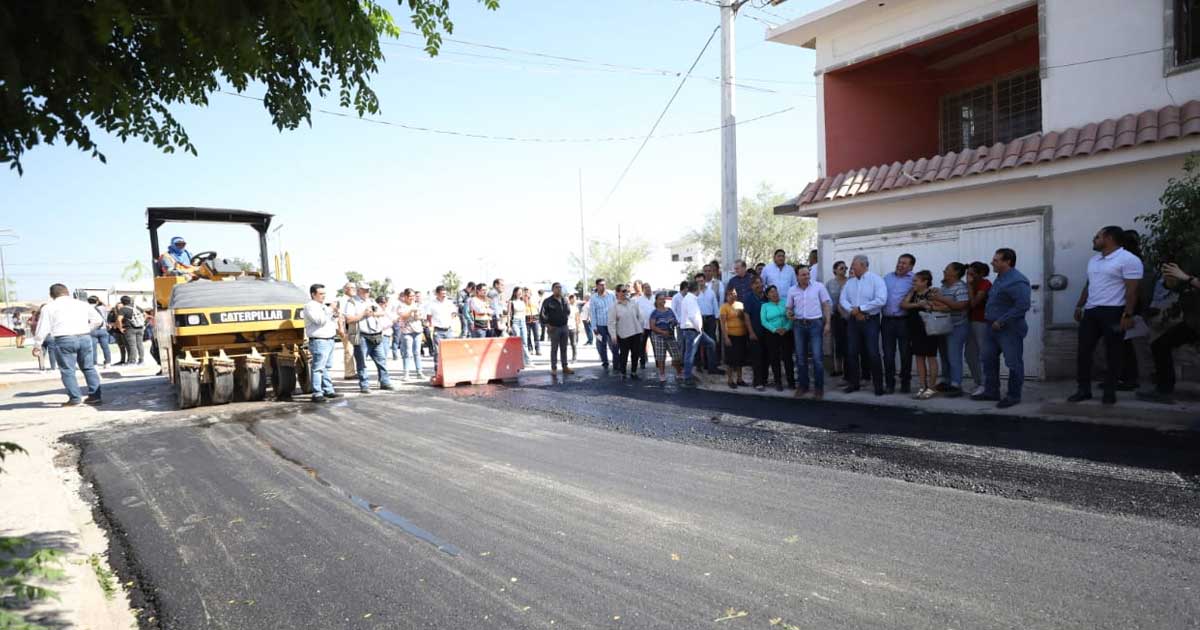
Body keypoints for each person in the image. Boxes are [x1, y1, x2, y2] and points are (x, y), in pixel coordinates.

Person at [1070, 226, 1143, 405]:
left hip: (1114, 312)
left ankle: (1109, 392)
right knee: (1084, 352)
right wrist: (1080, 305)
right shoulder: (1094, 260)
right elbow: (1089, 285)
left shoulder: (1129, 260)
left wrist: (1128, 314)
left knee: (1114, 353)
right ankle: (1083, 390)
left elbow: (1132, 290)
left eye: (1097, 237)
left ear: (1109, 238)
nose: (1094, 240)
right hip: (1091, 312)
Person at [972, 248, 1031, 409]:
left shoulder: (1017, 281)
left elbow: (1023, 305)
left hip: (1009, 329)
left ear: (1008, 262)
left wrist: (1002, 320)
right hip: (992, 328)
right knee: (987, 359)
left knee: (1013, 363)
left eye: (996, 260)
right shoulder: (1000, 278)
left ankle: (1013, 395)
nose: (992, 262)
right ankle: (991, 392)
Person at [32, 284, 104, 405]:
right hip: (84, 337)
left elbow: (42, 328)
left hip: (63, 339)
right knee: (88, 367)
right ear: (67, 292)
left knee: (67, 370)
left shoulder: (49, 307)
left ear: (51, 295)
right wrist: (86, 329)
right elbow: (98, 320)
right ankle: (95, 396)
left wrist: (37, 345)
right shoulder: (82, 304)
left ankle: (75, 398)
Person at [1138, 262, 1200, 403]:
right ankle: (1164, 390)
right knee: (1160, 345)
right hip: (1194, 322)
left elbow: (1189, 280)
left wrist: (1186, 278)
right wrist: (1170, 283)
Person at [839, 254, 887, 396]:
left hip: (870, 320)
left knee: (873, 353)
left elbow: (881, 300)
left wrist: (861, 308)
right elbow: (843, 299)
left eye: (854, 264)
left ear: (863, 265)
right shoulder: (850, 282)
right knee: (852, 352)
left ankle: (878, 386)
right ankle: (854, 384)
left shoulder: (876, 280)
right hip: (854, 321)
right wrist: (854, 312)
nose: (852, 267)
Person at [786, 265, 832, 399]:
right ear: (797, 276)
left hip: (815, 325)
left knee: (817, 358)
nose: (807, 276)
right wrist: (789, 313)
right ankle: (803, 386)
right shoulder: (792, 290)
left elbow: (826, 305)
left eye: (808, 274)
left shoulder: (819, 286)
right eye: (803, 275)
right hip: (799, 325)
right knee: (801, 358)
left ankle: (819, 389)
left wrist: (828, 323)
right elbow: (789, 307)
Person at [344, 281, 393, 393]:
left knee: (382, 360)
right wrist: (363, 314)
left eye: (368, 290)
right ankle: (364, 385)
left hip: (376, 334)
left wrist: (372, 313)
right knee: (362, 362)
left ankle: (385, 382)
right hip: (361, 335)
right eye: (365, 290)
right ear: (359, 290)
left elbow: (381, 313)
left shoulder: (371, 301)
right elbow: (349, 319)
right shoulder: (352, 302)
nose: (367, 292)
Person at [901, 270, 944, 399]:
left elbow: (943, 307)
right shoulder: (912, 292)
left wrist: (929, 306)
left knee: (931, 357)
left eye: (916, 281)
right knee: (919, 357)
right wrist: (917, 304)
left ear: (925, 282)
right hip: (915, 329)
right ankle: (922, 385)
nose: (913, 282)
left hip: (930, 329)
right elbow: (903, 304)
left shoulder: (933, 293)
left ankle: (931, 387)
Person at [933, 262, 971, 397]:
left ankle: (956, 384)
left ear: (955, 272)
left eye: (947, 269)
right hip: (943, 325)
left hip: (957, 326)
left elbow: (961, 305)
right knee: (944, 354)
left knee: (953, 355)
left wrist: (941, 300)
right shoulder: (944, 287)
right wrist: (938, 302)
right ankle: (946, 380)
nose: (944, 270)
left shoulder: (960, 287)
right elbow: (940, 303)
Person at [881, 254, 916, 394]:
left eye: (904, 263)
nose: (900, 265)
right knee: (888, 354)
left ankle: (905, 383)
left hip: (904, 322)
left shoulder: (914, 280)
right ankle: (889, 383)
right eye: (899, 262)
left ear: (911, 266)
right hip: (887, 321)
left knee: (905, 354)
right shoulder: (886, 278)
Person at [302, 284, 341, 403]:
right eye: (321, 294)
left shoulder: (323, 306)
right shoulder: (310, 306)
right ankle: (317, 393)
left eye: (324, 293)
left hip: (329, 339)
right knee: (318, 368)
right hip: (319, 340)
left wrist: (334, 315)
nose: (323, 296)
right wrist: (330, 310)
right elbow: (319, 321)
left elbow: (330, 321)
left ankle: (328, 390)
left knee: (326, 368)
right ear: (313, 294)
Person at [964, 261, 993, 397]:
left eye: (972, 273)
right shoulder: (972, 284)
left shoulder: (985, 284)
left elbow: (974, 303)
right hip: (970, 321)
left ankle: (986, 385)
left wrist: (969, 286)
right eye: (968, 273)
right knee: (970, 354)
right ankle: (978, 382)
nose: (968, 276)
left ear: (981, 273)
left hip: (982, 322)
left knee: (983, 354)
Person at [677, 280, 713, 387]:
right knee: (690, 355)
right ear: (697, 289)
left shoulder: (689, 298)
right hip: (693, 331)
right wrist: (699, 328)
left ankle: (711, 367)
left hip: (693, 330)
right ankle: (687, 378)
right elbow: (693, 316)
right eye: (700, 288)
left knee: (711, 344)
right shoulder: (690, 299)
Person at [719, 286, 754, 389]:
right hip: (730, 336)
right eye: (730, 294)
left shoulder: (740, 305)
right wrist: (726, 338)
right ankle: (730, 380)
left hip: (742, 336)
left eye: (734, 293)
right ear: (726, 296)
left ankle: (739, 379)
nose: (733, 295)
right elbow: (723, 323)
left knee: (740, 359)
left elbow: (745, 318)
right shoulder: (724, 307)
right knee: (730, 360)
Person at [760, 285, 793, 392]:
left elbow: (791, 316)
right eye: (771, 292)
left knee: (788, 358)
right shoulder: (765, 306)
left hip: (786, 333)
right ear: (767, 295)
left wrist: (786, 328)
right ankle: (778, 382)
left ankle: (791, 381)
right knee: (774, 359)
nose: (774, 293)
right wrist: (775, 330)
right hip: (772, 334)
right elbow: (764, 321)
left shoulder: (785, 302)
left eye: (776, 291)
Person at [608, 284, 644, 379]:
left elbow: (640, 316)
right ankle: (623, 372)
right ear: (618, 293)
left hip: (636, 332)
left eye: (626, 291)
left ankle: (633, 372)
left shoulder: (633, 302)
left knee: (635, 354)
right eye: (623, 291)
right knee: (624, 355)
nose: (625, 293)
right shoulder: (614, 307)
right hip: (623, 334)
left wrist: (641, 328)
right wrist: (613, 336)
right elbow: (611, 323)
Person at [648, 292, 684, 383]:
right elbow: (652, 326)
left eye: (664, 299)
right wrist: (662, 332)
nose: (663, 300)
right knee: (661, 356)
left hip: (670, 336)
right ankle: (662, 374)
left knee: (677, 355)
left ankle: (679, 372)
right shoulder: (654, 313)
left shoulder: (670, 310)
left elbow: (675, 320)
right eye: (660, 299)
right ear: (656, 301)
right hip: (658, 336)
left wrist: (674, 324)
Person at [540, 283, 573, 377]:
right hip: (554, 328)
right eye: (556, 287)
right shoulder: (548, 301)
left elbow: (568, 312)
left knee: (564, 348)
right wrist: (547, 325)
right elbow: (542, 314)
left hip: (564, 327)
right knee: (554, 349)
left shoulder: (564, 300)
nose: (558, 289)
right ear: (552, 289)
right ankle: (554, 368)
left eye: (560, 287)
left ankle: (565, 367)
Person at [743, 275, 768, 390]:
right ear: (752, 286)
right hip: (755, 332)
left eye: (760, 283)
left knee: (765, 357)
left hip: (767, 332)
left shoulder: (766, 297)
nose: (759, 285)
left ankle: (764, 380)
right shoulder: (748, 297)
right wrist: (751, 332)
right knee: (756, 358)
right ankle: (757, 382)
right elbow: (746, 316)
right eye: (756, 283)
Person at [825, 260, 849, 378]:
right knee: (837, 343)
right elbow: (826, 302)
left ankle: (848, 369)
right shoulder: (830, 284)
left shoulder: (850, 282)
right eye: (841, 268)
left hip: (849, 317)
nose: (844, 270)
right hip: (836, 317)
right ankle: (837, 368)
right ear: (835, 270)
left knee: (849, 343)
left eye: (845, 268)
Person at [394, 289, 425, 379]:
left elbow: (419, 317)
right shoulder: (401, 305)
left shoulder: (417, 305)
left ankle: (419, 372)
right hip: (407, 332)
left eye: (413, 296)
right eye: (410, 296)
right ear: (405, 297)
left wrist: (417, 314)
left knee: (417, 352)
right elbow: (403, 316)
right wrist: (411, 310)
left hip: (417, 331)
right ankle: (406, 374)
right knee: (407, 353)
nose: (412, 298)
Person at [427, 285, 457, 370]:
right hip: (438, 331)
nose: (444, 295)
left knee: (450, 350)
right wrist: (430, 325)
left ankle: (449, 368)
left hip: (448, 330)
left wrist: (452, 317)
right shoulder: (432, 304)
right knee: (437, 351)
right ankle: (437, 369)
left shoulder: (449, 302)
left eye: (445, 294)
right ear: (437, 294)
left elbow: (454, 312)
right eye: (442, 294)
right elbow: (429, 316)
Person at [697, 269, 722, 372]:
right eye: (698, 281)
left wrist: (717, 319)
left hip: (711, 319)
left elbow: (715, 306)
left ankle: (711, 366)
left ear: (704, 281)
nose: (700, 283)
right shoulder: (695, 294)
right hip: (699, 320)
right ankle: (699, 365)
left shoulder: (711, 292)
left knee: (711, 342)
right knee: (698, 343)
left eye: (701, 281)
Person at [589, 278, 616, 370]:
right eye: (600, 284)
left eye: (604, 284)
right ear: (597, 286)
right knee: (602, 344)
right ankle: (605, 362)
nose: (603, 286)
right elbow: (592, 313)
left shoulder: (611, 295)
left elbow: (616, 307)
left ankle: (617, 362)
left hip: (612, 324)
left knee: (614, 344)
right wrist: (594, 327)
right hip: (600, 326)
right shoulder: (593, 298)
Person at [115, 296, 146, 365]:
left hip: (130, 329)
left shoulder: (123, 309)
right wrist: (142, 323)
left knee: (132, 345)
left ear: (122, 302)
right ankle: (141, 360)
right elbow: (145, 315)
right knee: (140, 344)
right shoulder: (136, 307)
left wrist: (120, 328)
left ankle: (132, 361)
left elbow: (119, 319)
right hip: (140, 328)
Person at [508, 287, 533, 366]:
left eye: (521, 292)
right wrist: (509, 326)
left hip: (523, 322)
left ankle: (528, 361)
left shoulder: (523, 301)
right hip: (515, 322)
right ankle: (518, 361)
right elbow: (509, 314)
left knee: (525, 342)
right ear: (515, 292)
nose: (520, 293)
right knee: (517, 342)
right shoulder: (511, 302)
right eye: (518, 292)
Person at [338, 282, 358, 379]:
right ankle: (349, 373)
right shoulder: (343, 300)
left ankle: (353, 371)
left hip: (354, 327)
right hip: (346, 328)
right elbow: (340, 315)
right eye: (351, 288)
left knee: (354, 350)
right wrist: (341, 328)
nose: (354, 289)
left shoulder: (354, 300)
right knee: (349, 350)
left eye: (355, 287)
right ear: (345, 289)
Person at [634, 283, 655, 371]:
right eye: (646, 288)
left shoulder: (655, 298)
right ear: (643, 290)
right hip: (643, 327)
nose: (648, 289)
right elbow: (636, 314)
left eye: (649, 287)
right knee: (641, 346)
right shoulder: (638, 300)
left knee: (656, 345)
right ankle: (642, 362)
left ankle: (658, 362)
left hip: (654, 326)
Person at [87, 296, 112, 367]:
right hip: (103, 329)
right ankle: (108, 362)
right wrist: (100, 300)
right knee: (105, 347)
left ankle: (94, 363)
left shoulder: (87, 308)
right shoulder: (103, 308)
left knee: (93, 347)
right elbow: (109, 306)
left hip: (92, 329)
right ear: (97, 301)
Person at [525, 288, 543, 356]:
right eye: (526, 292)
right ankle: (530, 349)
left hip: (535, 317)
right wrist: (526, 300)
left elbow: (538, 307)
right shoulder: (523, 300)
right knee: (528, 335)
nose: (527, 294)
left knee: (536, 335)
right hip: (527, 317)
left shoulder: (535, 299)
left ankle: (538, 349)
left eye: (528, 292)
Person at [566, 294, 581, 362]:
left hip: (573, 328)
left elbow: (577, 318)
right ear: (570, 299)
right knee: (564, 344)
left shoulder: (575, 308)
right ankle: (564, 358)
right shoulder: (565, 306)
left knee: (573, 343)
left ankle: (574, 357)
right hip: (565, 327)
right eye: (574, 299)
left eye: (575, 299)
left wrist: (578, 327)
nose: (575, 300)